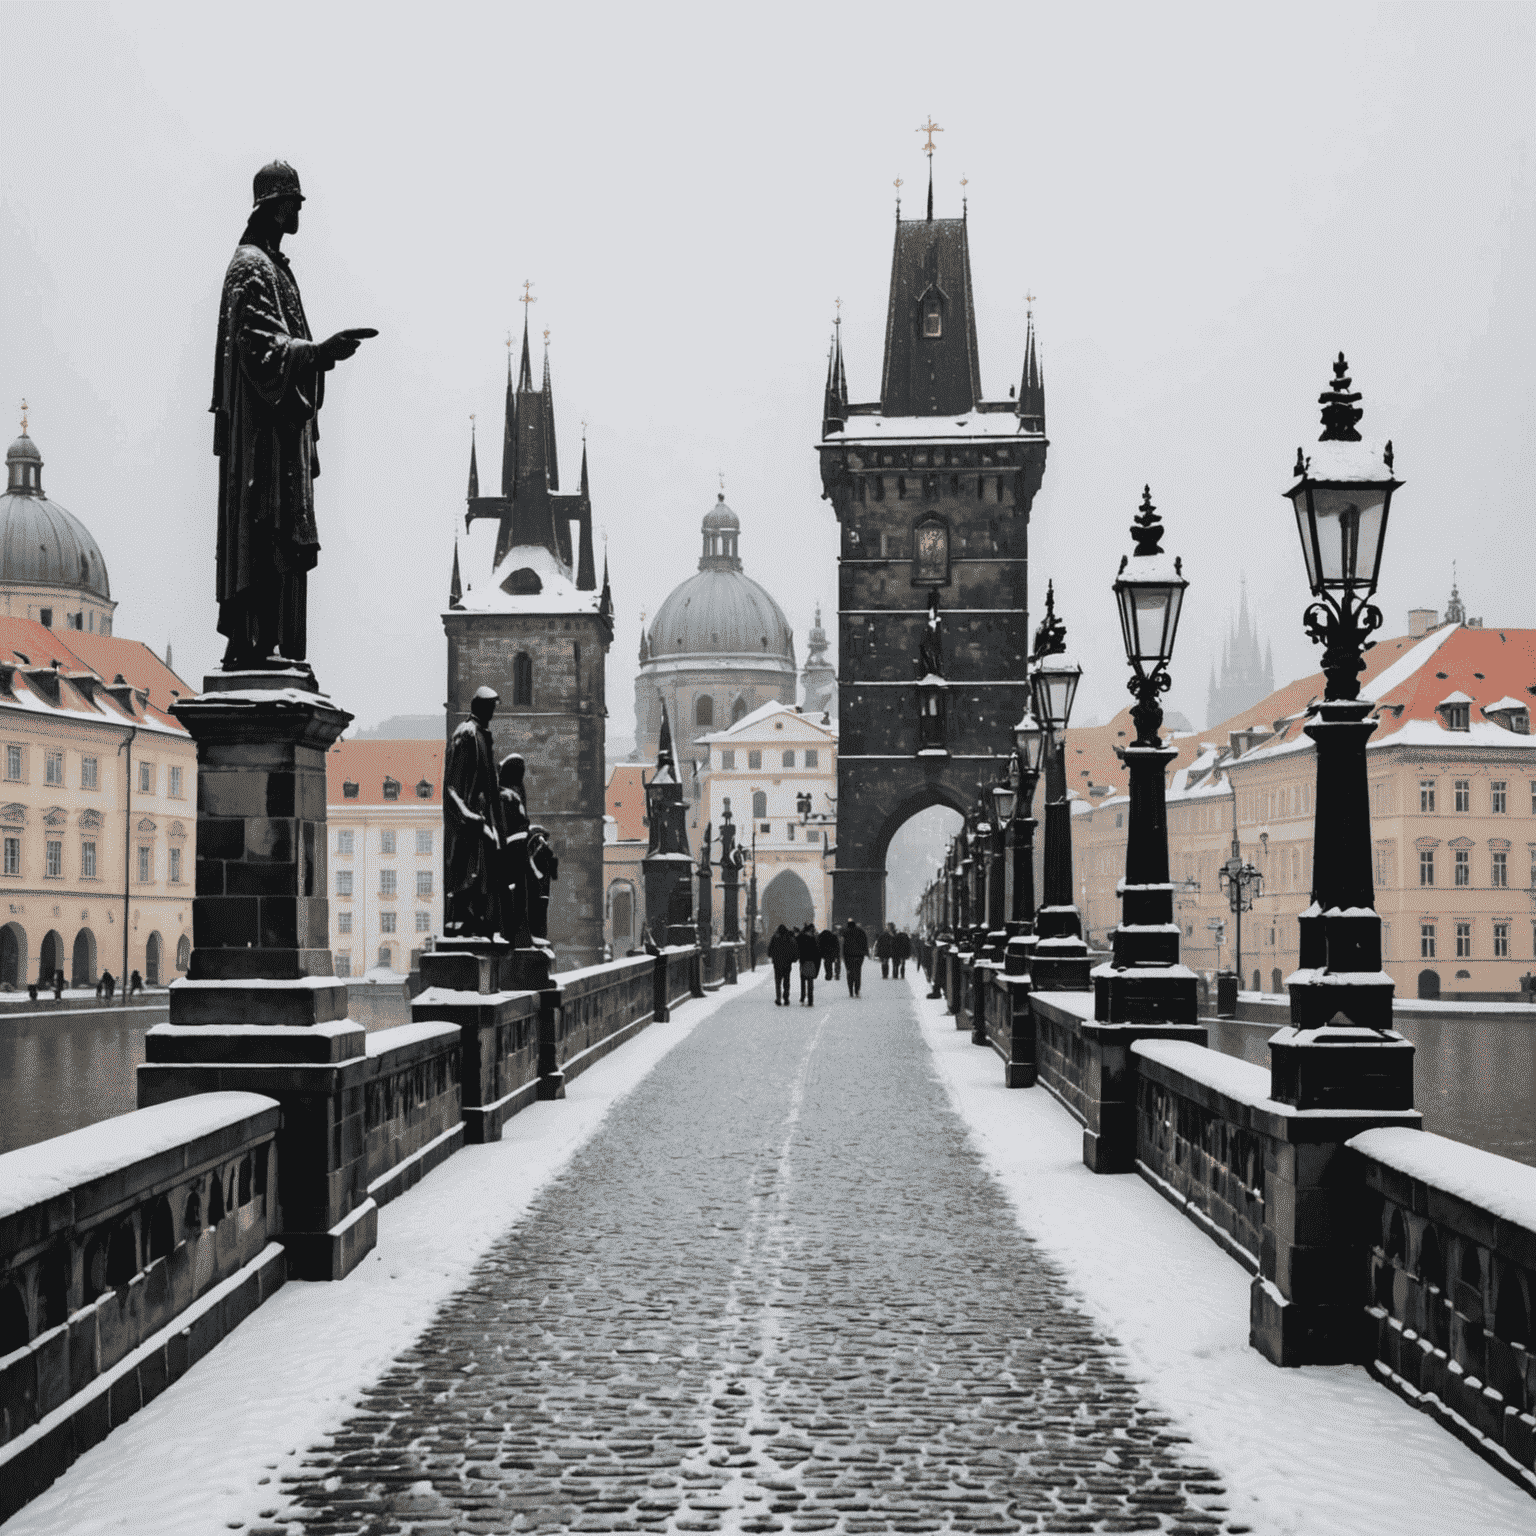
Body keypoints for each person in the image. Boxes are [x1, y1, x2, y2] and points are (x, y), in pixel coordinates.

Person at [211, 160, 373, 669]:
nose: (298, 210)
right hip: (263, 444)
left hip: (285, 436)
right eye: (291, 203)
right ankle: (257, 641)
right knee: (266, 533)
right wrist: (317, 351)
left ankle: (278, 643)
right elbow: (259, 347)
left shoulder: (276, 267)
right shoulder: (251, 267)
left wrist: (315, 354)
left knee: (282, 541)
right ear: (270, 207)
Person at [445, 686, 504, 937]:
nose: (493, 712)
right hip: (470, 819)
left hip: (481, 817)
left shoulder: (482, 734)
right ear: (480, 706)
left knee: (484, 870)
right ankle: (463, 918)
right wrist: (466, 815)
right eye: (490, 707)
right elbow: (451, 784)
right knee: (469, 871)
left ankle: (478, 919)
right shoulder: (466, 733)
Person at [768, 924, 797, 1006]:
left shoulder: (775, 937)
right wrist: (794, 959)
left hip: (777, 963)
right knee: (786, 981)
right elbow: (794, 948)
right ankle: (786, 998)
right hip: (787, 963)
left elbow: (770, 949)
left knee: (778, 982)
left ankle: (778, 998)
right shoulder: (789, 937)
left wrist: (771, 956)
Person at [842, 918, 868, 997]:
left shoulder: (845, 932)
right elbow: (865, 943)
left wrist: (843, 955)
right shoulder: (861, 931)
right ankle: (857, 990)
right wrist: (865, 952)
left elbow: (843, 945)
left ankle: (850, 991)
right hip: (859, 956)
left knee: (849, 973)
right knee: (857, 972)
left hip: (848, 956)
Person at [796, 923, 820, 1006]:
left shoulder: (801, 938)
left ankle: (802, 997)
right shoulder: (813, 940)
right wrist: (817, 968)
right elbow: (817, 954)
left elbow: (796, 943)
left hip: (803, 961)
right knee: (810, 981)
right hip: (812, 962)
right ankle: (810, 1000)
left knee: (803, 979)